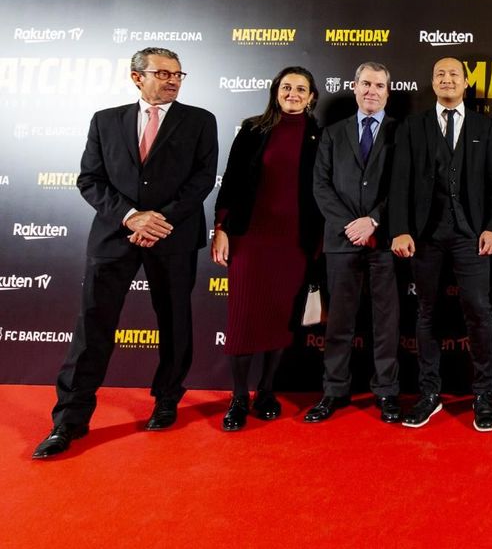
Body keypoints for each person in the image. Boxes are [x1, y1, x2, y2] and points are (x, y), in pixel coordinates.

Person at [33, 47, 217, 459]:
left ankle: (167, 399)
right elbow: (90, 180)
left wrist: (158, 221)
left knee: (174, 321)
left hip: (173, 234)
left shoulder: (201, 121)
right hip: (115, 236)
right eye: (163, 73)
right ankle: (70, 419)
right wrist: (132, 217)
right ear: (137, 77)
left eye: (178, 74)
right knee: (93, 327)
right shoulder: (105, 120)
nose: (173, 80)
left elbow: (203, 179)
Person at [390, 57, 492, 432]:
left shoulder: (484, 127)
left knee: (478, 309)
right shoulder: (413, 126)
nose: (447, 79)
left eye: (454, 73)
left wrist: (491, 227)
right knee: (426, 312)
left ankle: (484, 395)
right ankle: (429, 393)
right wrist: (401, 229)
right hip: (425, 236)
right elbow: (400, 183)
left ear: (466, 81)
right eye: (439, 73)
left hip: (471, 235)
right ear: (432, 81)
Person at [211, 67, 322, 431]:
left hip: (294, 241)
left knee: (280, 319)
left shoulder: (318, 136)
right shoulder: (252, 129)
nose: (293, 93)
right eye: (287, 87)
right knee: (242, 318)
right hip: (250, 238)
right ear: (276, 91)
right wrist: (222, 227)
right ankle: (239, 397)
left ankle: (268, 391)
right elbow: (231, 181)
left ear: (311, 97)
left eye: (301, 89)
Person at [306, 61, 402, 424]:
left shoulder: (401, 132)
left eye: (379, 85)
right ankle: (334, 390)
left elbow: (402, 186)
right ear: (355, 86)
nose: (372, 91)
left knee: (386, 321)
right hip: (342, 240)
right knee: (339, 322)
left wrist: (374, 219)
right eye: (366, 84)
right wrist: (351, 224)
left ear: (387, 92)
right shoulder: (332, 134)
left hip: (383, 241)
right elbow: (321, 186)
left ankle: (387, 392)